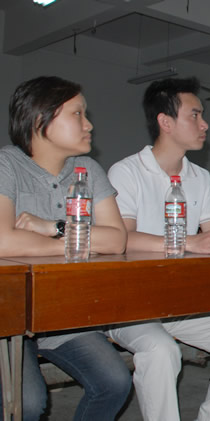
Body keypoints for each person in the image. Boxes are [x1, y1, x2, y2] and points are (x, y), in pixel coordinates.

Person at [106, 78, 210, 421]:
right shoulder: (126, 171)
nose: (204, 124)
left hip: (179, 301)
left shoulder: (199, 176)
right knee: (161, 351)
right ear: (165, 122)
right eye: (195, 115)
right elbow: (122, 238)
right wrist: (187, 241)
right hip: (129, 303)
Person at [0, 76, 131, 420]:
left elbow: (116, 240)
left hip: (62, 311)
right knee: (27, 403)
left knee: (115, 382)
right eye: (77, 114)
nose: (89, 125)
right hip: (9, 316)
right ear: (39, 119)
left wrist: (53, 230)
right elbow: (3, 241)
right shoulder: (6, 165)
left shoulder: (88, 170)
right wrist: (80, 243)